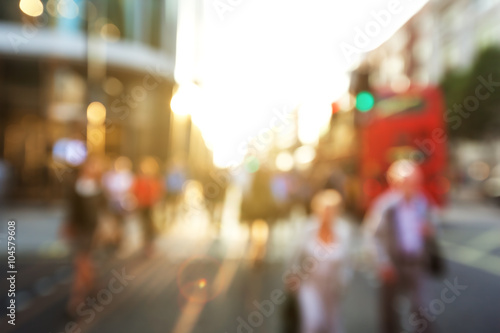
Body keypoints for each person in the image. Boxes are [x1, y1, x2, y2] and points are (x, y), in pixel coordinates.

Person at [364, 160, 438, 333]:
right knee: (390, 310)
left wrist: (430, 230)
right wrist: (382, 262)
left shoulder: (422, 203)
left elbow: (434, 229)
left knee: (421, 307)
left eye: (415, 182)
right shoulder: (385, 206)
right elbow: (372, 237)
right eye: (407, 182)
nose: (412, 187)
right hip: (393, 265)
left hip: (417, 263)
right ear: (395, 183)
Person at [286, 190, 352, 333]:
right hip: (310, 284)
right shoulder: (307, 228)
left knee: (332, 326)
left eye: (332, 210)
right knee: (313, 322)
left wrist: (343, 283)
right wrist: (292, 276)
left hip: (332, 288)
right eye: (324, 209)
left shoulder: (343, 231)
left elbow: (347, 263)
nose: (327, 213)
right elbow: (294, 256)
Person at [64, 155, 106, 317]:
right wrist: (68, 226)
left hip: (92, 231)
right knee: (83, 262)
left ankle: (76, 301)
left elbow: (104, 211)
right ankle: (93, 287)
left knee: (81, 262)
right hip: (78, 229)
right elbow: (72, 210)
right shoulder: (76, 187)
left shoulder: (99, 189)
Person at [102, 156, 134, 253]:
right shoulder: (108, 175)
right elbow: (106, 188)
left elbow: (128, 189)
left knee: (122, 224)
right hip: (111, 203)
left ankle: (120, 242)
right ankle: (113, 242)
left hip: (123, 204)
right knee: (112, 224)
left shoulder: (127, 176)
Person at [132, 157, 163, 256]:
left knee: (150, 227)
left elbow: (158, 192)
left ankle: (150, 245)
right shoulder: (139, 179)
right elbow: (134, 191)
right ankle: (146, 245)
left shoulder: (155, 180)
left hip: (151, 207)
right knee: (144, 226)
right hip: (142, 206)